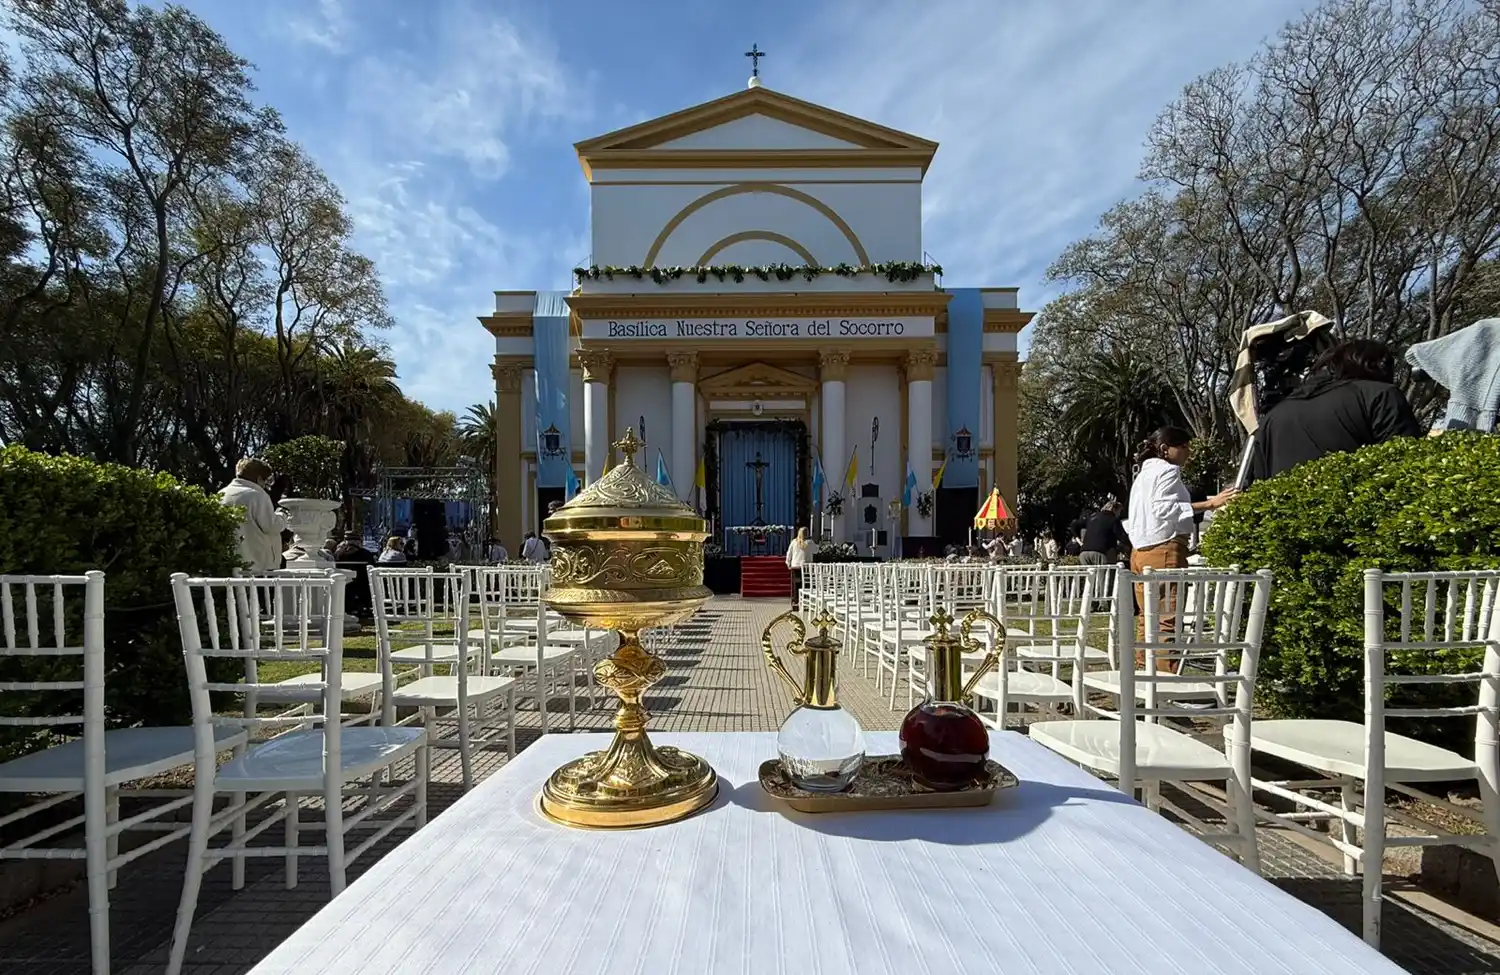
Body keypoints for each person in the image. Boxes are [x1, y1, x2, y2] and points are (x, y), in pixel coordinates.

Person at [1125, 427, 1237, 667]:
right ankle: (1166, 680)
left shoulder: (1143, 475)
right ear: (1166, 449)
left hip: (1141, 550)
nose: (1188, 452)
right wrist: (1210, 503)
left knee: (1148, 617)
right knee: (1166, 617)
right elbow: (1164, 509)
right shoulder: (1167, 471)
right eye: (1184, 446)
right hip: (1163, 547)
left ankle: (1146, 672)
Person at [1244, 338, 1421, 486]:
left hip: (1281, 523)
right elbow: (1405, 470)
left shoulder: (1273, 417)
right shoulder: (1381, 395)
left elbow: (1258, 485)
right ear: (1380, 365)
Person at [218, 458, 288, 574]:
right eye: (266, 480)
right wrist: (282, 514)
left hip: (231, 564)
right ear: (259, 478)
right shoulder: (257, 495)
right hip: (259, 566)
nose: (266, 485)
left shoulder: (222, 494)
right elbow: (271, 526)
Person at [1079, 500, 1129, 565]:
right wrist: (1129, 545)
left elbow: (1076, 525)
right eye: (1119, 511)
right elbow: (1122, 536)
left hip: (1084, 553)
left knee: (1091, 574)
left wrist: (1078, 538)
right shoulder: (1113, 519)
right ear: (1113, 509)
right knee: (1105, 574)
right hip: (1100, 553)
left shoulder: (1092, 517)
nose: (1119, 514)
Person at [785, 527, 811, 609]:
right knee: (806, 584)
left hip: (795, 566)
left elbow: (789, 553)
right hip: (806, 566)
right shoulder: (810, 542)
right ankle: (805, 601)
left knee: (795, 584)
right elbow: (816, 550)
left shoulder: (794, 542)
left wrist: (788, 563)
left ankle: (795, 601)